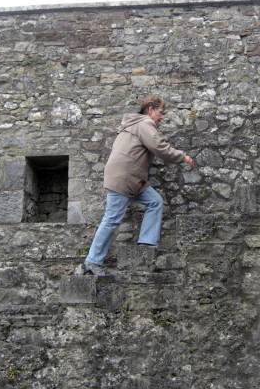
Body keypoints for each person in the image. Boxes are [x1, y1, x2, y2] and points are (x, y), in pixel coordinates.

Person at [76, 95, 196, 276]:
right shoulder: (145, 123)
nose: (162, 117)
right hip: (124, 178)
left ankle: (146, 244)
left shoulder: (133, 125)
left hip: (133, 179)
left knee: (155, 202)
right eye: (161, 113)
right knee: (112, 218)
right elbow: (159, 147)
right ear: (150, 109)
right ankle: (92, 262)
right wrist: (182, 156)